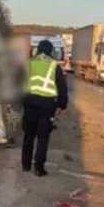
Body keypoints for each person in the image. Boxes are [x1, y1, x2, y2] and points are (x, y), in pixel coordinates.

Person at [22, 39, 68, 176]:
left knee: (28, 136)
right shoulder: (55, 66)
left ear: (38, 50)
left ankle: (25, 165)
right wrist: (62, 105)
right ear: (50, 51)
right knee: (43, 137)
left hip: (30, 104)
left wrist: (21, 101)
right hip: (47, 107)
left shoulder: (29, 63)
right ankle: (39, 168)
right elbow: (62, 87)